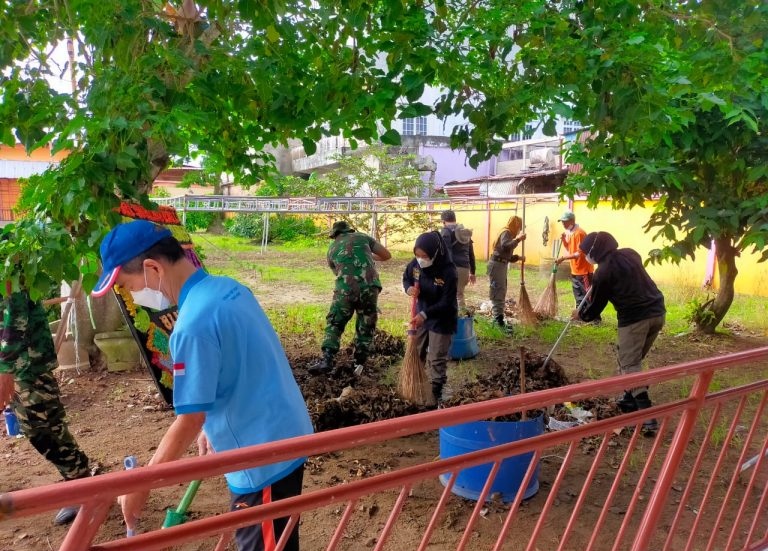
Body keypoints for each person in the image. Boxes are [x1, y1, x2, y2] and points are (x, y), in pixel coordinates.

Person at [92, 220, 314, 551]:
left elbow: (189, 419)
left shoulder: (191, 325)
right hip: (286, 434)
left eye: (127, 286)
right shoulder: (228, 288)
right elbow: (240, 363)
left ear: (153, 268)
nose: (132, 297)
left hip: (261, 458)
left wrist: (142, 485)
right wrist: (209, 421)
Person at [0, 285, 91, 526]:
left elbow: (16, 312)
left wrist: (5, 368)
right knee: (36, 428)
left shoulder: (9, 255)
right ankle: (81, 482)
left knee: (43, 429)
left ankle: (82, 485)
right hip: (14, 361)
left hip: (27, 362)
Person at [574, 231, 666, 434]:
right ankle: (629, 398)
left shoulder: (603, 272)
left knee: (629, 364)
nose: (585, 257)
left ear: (594, 251)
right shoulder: (631, 254)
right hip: (657, 313)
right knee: (629, 357)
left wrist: (580, 314)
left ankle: (647, 416)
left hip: (635, 319)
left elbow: (596, 307)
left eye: (586, 253)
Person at [311, 221, 391, 376]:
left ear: (335, 235)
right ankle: (359, 363)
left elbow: (338, 273)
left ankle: (327, 359)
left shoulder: (332, 249)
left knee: (335, 322)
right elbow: (387, 255)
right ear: (349, 230)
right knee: (366, 323)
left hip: (346, 289)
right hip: (370, 287)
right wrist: (368, 257)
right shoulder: (363, 237)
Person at [402, 231, 458, 404]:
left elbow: (447, 302)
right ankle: (416, 386)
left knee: (436, 357)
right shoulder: (416, 265)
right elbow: (406, 278)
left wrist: (425, 314)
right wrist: (409, 289)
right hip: (421, 315)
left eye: (424, 256)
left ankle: (436, 391)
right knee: (416, 351)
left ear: (435, 253)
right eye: (417, 255)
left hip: (441, 318)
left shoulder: (448, 271)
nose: (420, 259)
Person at [486, 216, 526, 329]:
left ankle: (498, 318)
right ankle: (497, 320)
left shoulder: (508, 234)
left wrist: (518, 257)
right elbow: (505, 246)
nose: (519, 230)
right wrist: (518, 239)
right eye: (519, 227)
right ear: (516, 226)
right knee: (498, 291)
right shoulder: (506, 232)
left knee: (501, 290)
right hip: (497, 265)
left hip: (501, 264)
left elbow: (506, 255)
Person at [555, 210, 595, 309]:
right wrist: (564, 240)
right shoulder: (571, 233)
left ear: (572, 221)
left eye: (565, 221)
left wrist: (563, 258)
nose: (563, 224)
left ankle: (594, 318)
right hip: (575, 269)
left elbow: (578, 254)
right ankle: (580, 315)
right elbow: (570, 248)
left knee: (587, 295)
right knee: (578, 295)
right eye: (562, 222)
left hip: (583, 270)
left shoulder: (580, 233)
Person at [439, 210, 476, 312]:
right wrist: (472, 272)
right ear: (455, 219)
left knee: (449, 294)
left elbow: (447, 251)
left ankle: (453, 322)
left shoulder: (445, 231)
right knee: (459, 294)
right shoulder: (464, 231)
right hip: (465, 267)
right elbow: (471, 254)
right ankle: (462, 321)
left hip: (453, 267)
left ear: (443, 221)